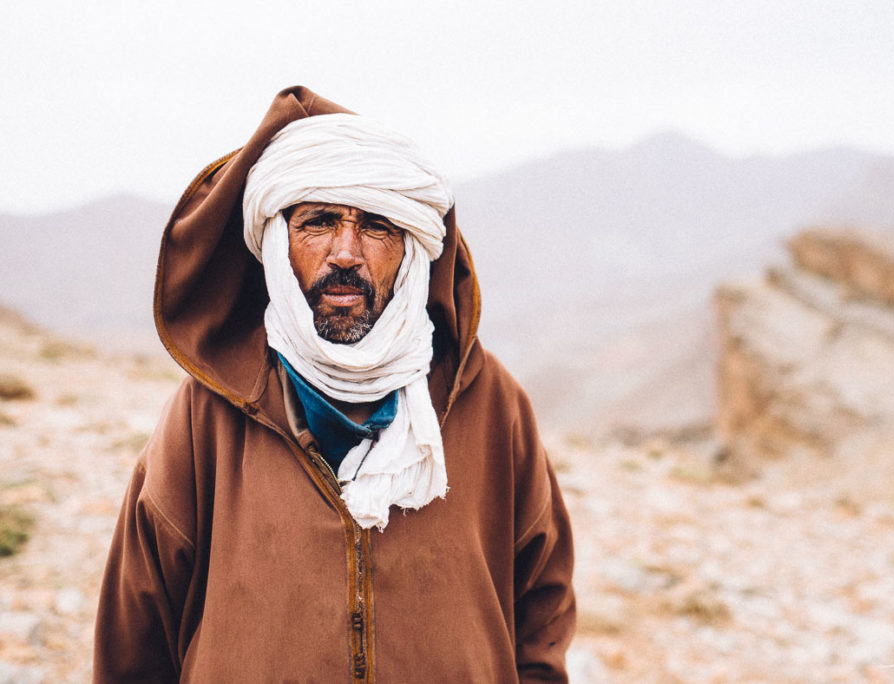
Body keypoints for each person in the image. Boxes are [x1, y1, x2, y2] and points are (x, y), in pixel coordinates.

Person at [93, 86, 575, 682]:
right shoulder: (209, 415)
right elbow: (137, 635)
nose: (345, 253)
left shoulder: (484, 401)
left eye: (376, 225)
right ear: (275, 244)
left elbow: (541, 609)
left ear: (411, 250)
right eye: (318, 222)